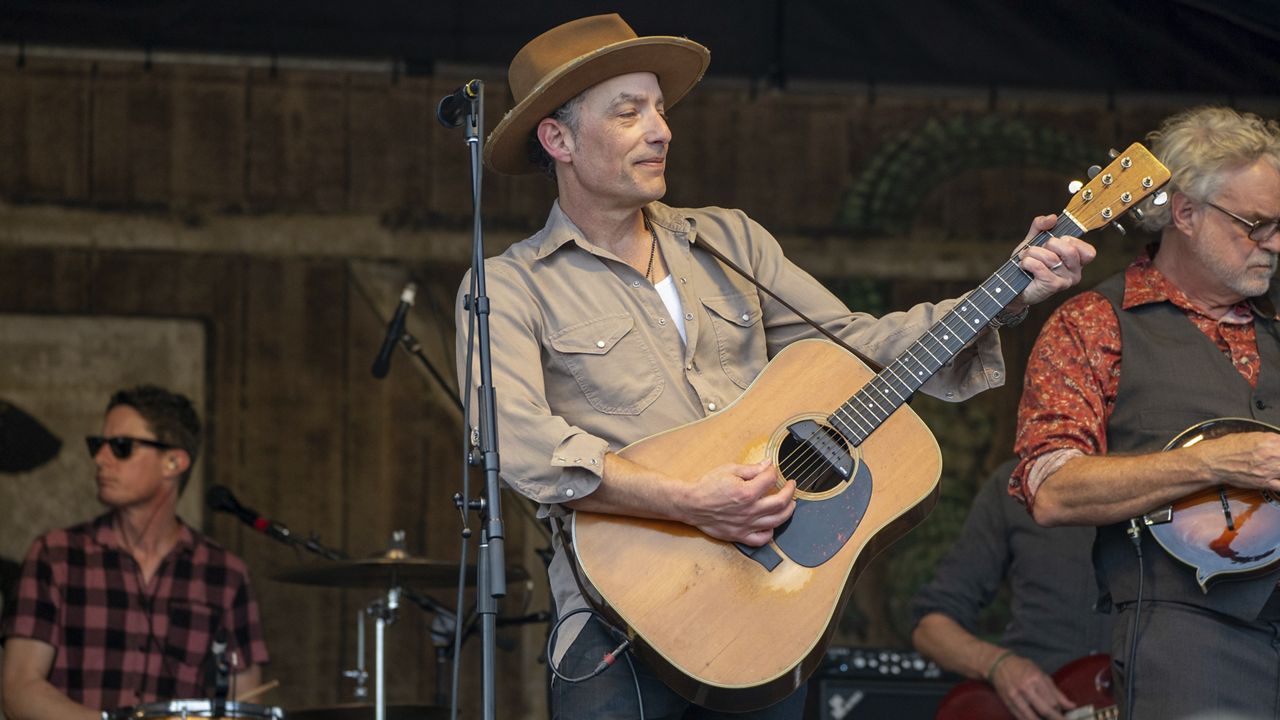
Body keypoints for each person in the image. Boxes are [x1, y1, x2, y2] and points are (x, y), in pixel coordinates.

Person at [456, 13, 1093, 719]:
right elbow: (515, 444)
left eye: (661, 110)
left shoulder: (729, 239)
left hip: (768, 620)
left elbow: (856, 346)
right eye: (629, 112)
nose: (661, 130)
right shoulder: (508, 287)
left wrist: (1006, 294)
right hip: (616, 629)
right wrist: (691, 501)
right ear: (558, 138)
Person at [1012, 106, 1280, 718]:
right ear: (1186, 212)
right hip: (1188, 643)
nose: (1276, 244)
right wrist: (1213, 462)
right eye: (1257, 224)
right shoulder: (1094, 323)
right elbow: (1052, 489)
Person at [1, 385, 269, 720]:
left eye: (121, 447)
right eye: (98, 446)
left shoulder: (225, 574)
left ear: (174, 462)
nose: (100, 459)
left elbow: (243, 702)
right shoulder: (55, 556)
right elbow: (17, 690)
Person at [911, 460, 1110, 720]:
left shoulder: (1164, 478)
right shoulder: (1015, 482)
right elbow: (931, 628)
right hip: (1030, 705)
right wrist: (999, 665)